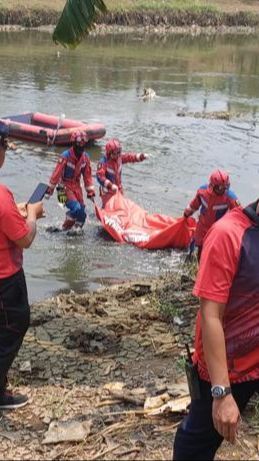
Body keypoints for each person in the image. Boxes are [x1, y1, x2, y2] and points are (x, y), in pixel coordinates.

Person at [173, 198, 259, 460]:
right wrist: (221, 394)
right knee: (194, 447)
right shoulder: (228, 235)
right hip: (227, 365)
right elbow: (211, 315)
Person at [0, 134, 44, 409]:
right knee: (13, 328)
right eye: (4, 146)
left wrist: (16, 212)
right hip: (6, 280)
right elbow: (25, 238)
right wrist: (32, 215)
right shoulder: (2, 196)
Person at [183, 169, 239, 259]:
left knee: (213, 250)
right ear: (212, 186)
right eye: (220, 188)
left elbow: (239, 214)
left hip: (217, 229)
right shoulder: (202, 191)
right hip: (202, 225)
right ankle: (191, 259)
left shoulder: (230, 197)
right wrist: (186, 213)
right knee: (197, 245)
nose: (223, 190)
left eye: (225, 187)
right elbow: (194, 204)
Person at [47, 130, 95, 231]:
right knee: (76, 209)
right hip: (62, 188)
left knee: (82, 215)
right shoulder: (65, 156)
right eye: (79, 143)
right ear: (74, 143)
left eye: (83, 144)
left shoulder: (85, 158)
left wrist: (90, 191)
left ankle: (74, 232)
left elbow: (87, 177)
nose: (81, 146)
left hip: (76, 187)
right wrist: (50, 190)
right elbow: (56, 174)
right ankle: (63, 227)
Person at [96, 138, 148, 207]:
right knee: (109, 208)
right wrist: (110, 186)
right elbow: (100, 176)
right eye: (115, 153)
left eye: (119, 152)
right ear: (109, 153)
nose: (117, 155)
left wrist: (141, 156)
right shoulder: (103, 162)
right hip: (107, 191)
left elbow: (130, 157)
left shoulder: (119, 158)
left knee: (121, 207)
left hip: (118, 188)